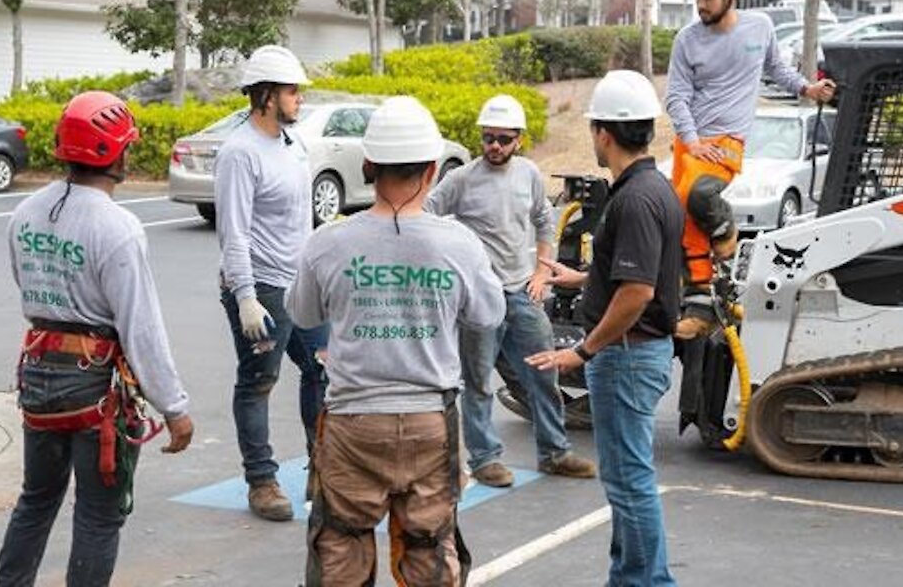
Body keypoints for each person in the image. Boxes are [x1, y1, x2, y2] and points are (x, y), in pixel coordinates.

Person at [287, 96, 506, 586]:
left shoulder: (329, 242)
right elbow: (489, 314)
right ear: (432, 170)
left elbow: (300, 313)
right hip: (431, 423)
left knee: (340, 548)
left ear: (367, 166)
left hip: (352, 423)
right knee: (429, 553)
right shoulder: (458, 244)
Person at [0, 91, 195, 586]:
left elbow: (26, 284)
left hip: (39, 373)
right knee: (98, 515)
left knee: (36, 500)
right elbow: (140, 327)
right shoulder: (117, 228)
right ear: (113, 153)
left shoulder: (25, 213)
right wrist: (174, 407)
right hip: (94, 383)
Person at [526, 71, 683, 587]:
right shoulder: (651, 187)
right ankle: (631, 578)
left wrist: (584, 352)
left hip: (627, 356)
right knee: (626, 481)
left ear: (603, 133)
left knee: (630, 481)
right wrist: (585, 276)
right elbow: (637, 273)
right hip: (635, 353)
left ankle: (647, 582)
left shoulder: (636, 199)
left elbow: (637, 293)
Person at [425, 94, 596, 487]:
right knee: (479, 380)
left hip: (523, 292)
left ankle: (555, 452)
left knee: (544, 374)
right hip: (480, 299)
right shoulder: (461, 179)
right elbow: (427, 218)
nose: (495, 147)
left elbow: (543, 221)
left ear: (519, 139)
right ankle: (486, 459)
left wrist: (540, 271)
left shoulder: (529, 174)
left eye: (504, 139)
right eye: (488, 138)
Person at [665, 0, 837, 336]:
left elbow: (776, 68)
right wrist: (692, 142)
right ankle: (699, 301)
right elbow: (675, 97)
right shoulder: (686, 41)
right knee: (681, 214)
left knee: (698, 195)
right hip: (692, 142)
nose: (700, 6)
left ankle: (727, 234)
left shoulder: (759, 28)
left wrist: (808, 88)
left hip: (727, 141)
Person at [214, 44, 328, 522]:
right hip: (259, 287)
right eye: (290, 90)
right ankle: (262, 482)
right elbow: (233, 231)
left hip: (300, 283)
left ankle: (323, 469)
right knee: (258, 381)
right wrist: (243, 297)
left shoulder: (292, 144)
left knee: (324, 370)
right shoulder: (239, 153)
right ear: (265, 95)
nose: (298, 98)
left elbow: (302, 220)